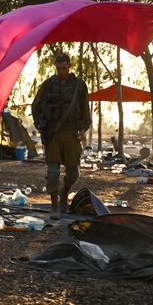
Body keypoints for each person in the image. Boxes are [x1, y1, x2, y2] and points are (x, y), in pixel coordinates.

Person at [31, 53, 91, 218]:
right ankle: (55, 205)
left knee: (73, 173)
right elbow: (35, 105)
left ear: (69, 66)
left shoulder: (79, 85)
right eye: (58, 69)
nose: (61, 71)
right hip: (53, 134)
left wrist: (84, 127)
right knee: (52, 172)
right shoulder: (49, 84)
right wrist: (39, 124)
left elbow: (85, 107)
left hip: (72, 134)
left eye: (64, 68)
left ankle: (65, 192)